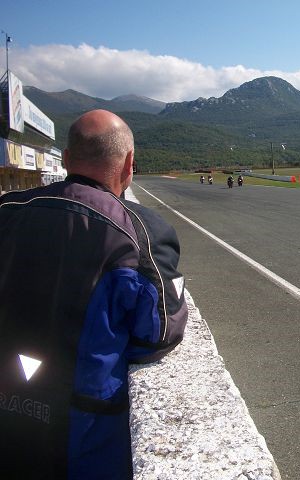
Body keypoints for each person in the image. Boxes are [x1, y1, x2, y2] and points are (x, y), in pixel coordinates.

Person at [0, 109, 188, 479]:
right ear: (129, 163)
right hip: (83, 435)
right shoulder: (140, 230)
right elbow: (160, 334)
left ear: (66, 159)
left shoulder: (7, 210)